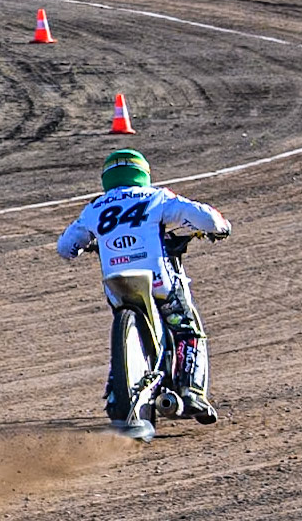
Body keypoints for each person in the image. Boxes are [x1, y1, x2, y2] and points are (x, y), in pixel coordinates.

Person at [57, 149, 232, 425]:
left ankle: (117, 393)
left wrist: (86, 245)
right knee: (187, 328)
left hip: (116, 284)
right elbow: (208, 219)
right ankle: (191, 392)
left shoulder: (95, 207)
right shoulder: (157, 197)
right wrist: (221, 228)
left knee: (119, 325)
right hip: (159, 280)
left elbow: (65, 248)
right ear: (143, 173)